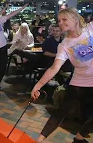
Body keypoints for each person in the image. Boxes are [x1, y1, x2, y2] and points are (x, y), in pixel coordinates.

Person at [31, 8, 93, 143]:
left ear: (75, 19)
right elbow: (54, 68)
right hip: (79, 83)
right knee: (61, 111)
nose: (61, 23)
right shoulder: (64, 45)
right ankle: (39, 140)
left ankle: (79, 138)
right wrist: (38, 85)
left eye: (64, 19)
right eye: (59, 20)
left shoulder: (90, 29)